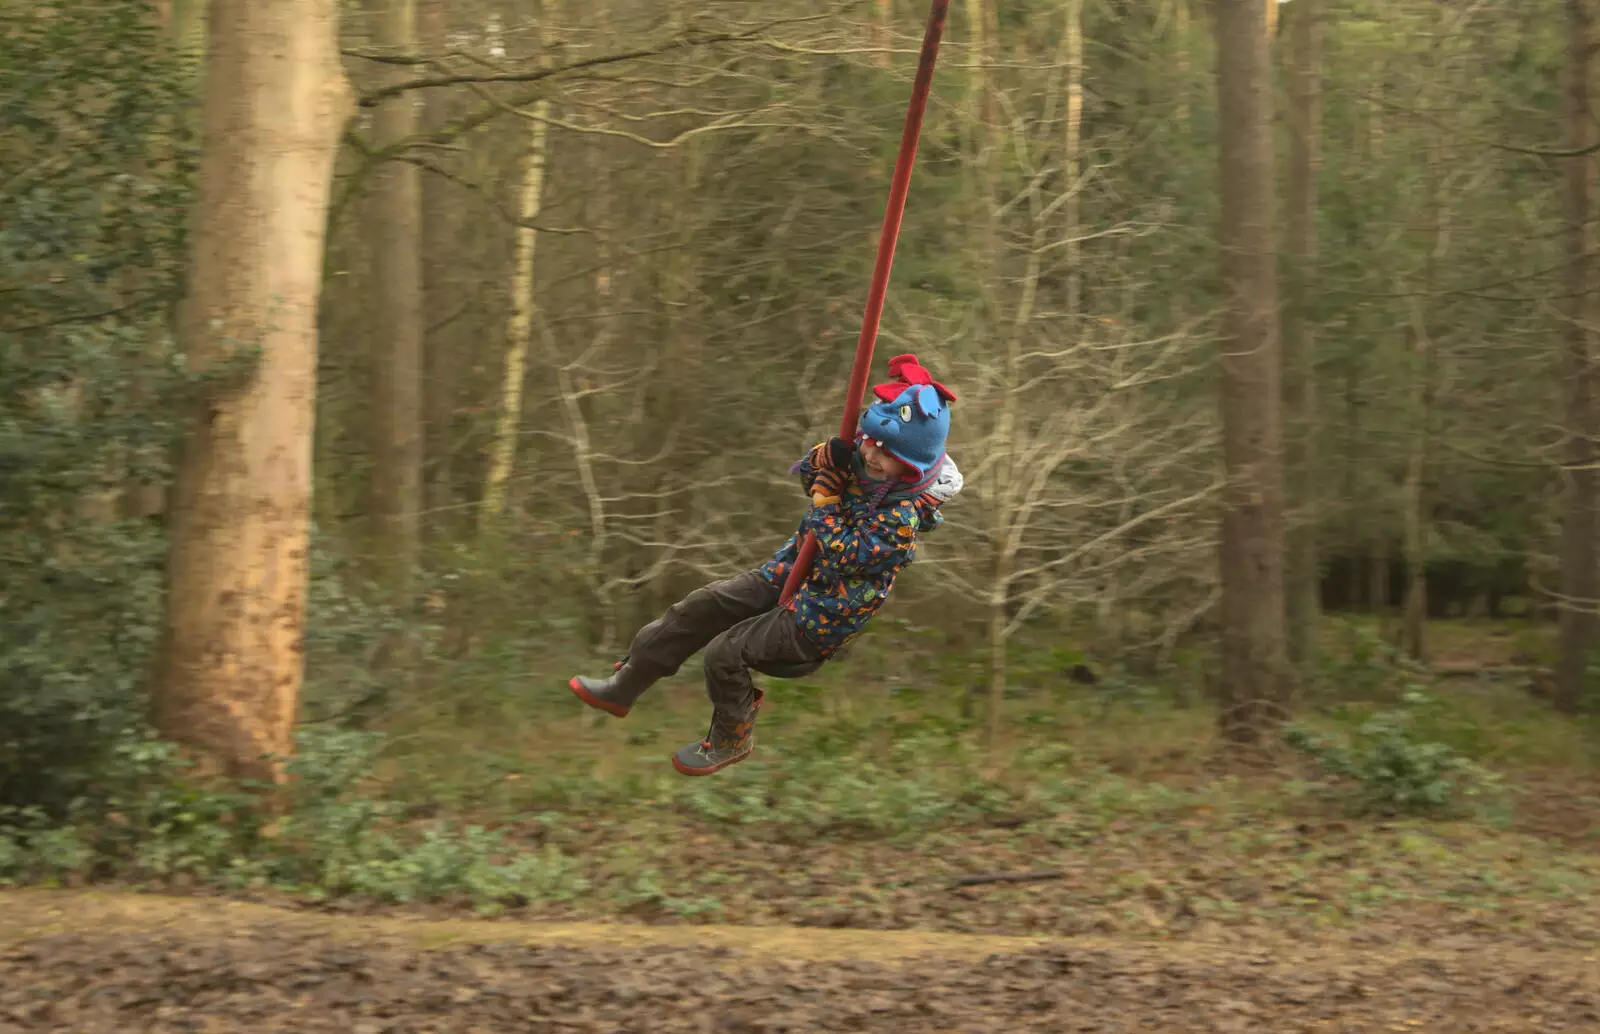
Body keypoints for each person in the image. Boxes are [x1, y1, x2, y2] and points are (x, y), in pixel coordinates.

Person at [567, 353, 964, 776]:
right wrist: (822, 461)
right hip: (784, 576)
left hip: (819, 621)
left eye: (887, 454)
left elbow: (847, 554)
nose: (871, 454)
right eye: (871, 441)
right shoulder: (864, 464)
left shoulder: (901, 519)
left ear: (913, 469)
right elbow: (815, 477)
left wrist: (825, 502)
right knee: (702, 606)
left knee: (725, 652)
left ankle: (730, 736)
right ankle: (625, 685)